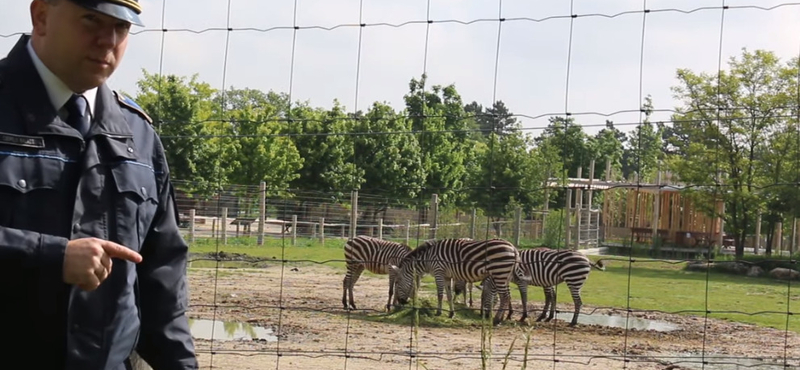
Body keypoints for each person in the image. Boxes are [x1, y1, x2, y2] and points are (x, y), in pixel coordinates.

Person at [0, 0, 198, 369]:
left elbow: (162, 279)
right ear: (41, 15)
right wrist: (49, 257)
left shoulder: (138, 133)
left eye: (121, 28)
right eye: (91, 19)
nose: (107, 40)